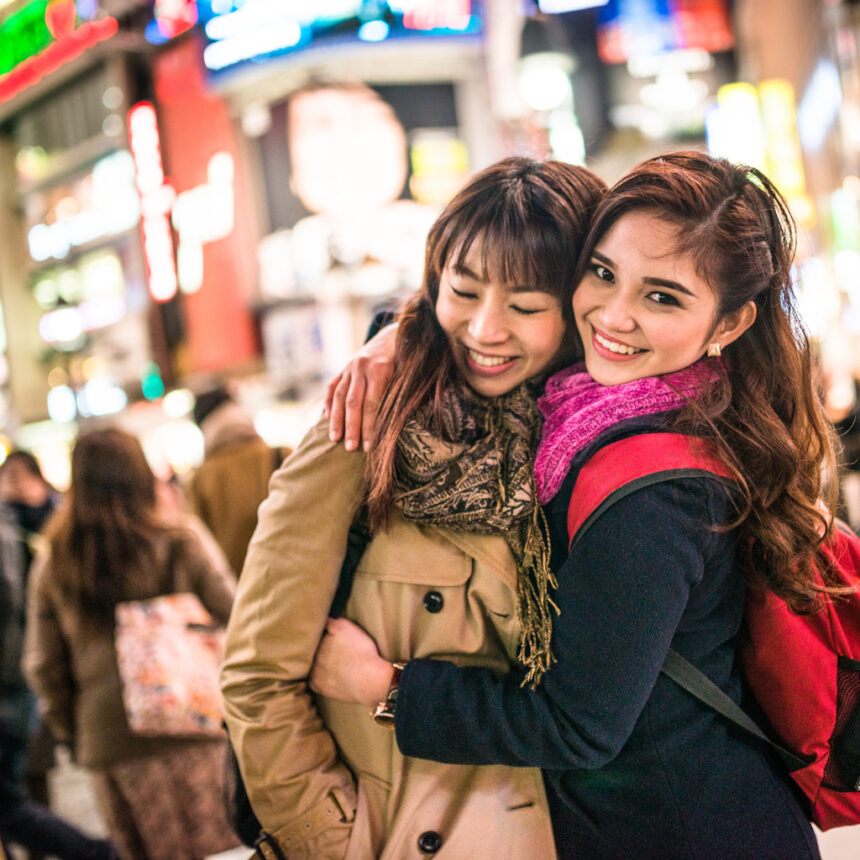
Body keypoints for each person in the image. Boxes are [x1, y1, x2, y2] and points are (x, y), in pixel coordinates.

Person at [309, 151, 834, 859]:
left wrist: (388, 686)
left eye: (663, 297)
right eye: (603, 273)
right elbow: (488, 309)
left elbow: (579, 727)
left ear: (730, 324)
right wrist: (399, 334)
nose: (611, 316)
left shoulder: (661, 491)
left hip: (682, 832)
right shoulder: (594, 402)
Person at [220, 156, 607, 858]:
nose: (485, 331)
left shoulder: (595, 441)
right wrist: (333, 838)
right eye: (462, 292)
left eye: (525, 307)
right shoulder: (366, 422)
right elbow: (256, 671)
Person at [24, 428, 240, 860]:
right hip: (192, 724)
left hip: (110, 739)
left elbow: (45, 666)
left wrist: (76, 729)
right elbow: (238, 618)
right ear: (140, 474)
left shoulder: (56, 560)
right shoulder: (180, 540)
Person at [189, 386, 287, 576]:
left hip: (239, 592)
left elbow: (201, 550)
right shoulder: (280, 456)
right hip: (294, 583)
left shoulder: (200, 480)